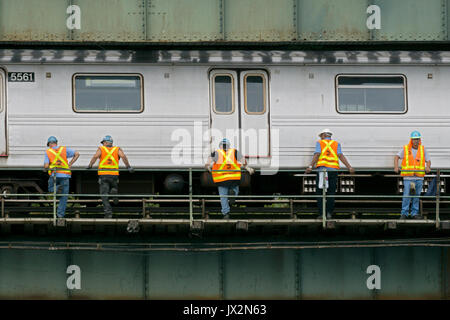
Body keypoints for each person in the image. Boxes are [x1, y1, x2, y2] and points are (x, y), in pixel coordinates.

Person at [305, 129, 355, 219]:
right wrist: (349, 167)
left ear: (324, 135)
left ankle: (321, 214)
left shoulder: (320, 143)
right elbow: (340, 155)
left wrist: (310, 166)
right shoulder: (336, 144)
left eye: (321, 136)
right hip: (333, 171)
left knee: (320, 193)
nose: (320, 137)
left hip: (322, 171)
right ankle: (329, 213)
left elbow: (317, 154)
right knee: (331, 193)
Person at [205, 138, 254, 219]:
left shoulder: (216, 152)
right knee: (235, 190)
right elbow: (244, 161)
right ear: (228, 145)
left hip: (221, 179)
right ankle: (233, 195)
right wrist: (248, 168)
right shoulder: (234, 151)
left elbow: (208, 161)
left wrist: (207, 166)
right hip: (233, 178)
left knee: (223, 197)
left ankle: (226, 213)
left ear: (220, 145)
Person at [87, 135, 133, 218]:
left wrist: (90, 165)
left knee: (104, 195)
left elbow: (95, 156)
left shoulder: (101, 149)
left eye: (103, 142)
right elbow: (123, 156)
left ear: (105, 142)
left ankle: (108, 213)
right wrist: (128, 167)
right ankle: (114, 192)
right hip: (114, 175)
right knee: (113, 187)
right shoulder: (117, 149)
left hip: (103, 175)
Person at [394, 131, 431, 220]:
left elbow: (428, 160)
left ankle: (414, 213)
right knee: (407, 195)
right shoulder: (406, 149)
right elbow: (396, 157)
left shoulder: (422, 149)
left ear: (419, 140)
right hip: (409, 177)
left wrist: (428, 167)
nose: (416, 141)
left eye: (417, 139)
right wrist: (396, 167)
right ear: (411, 140)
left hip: (419, 177)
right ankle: (404, 214)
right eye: (414, 139)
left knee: (416, 196)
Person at [43, 136, 80, 218]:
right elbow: (77, 154)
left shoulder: (48, 152)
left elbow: (46, 166)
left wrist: (47, 168)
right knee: (64, 197)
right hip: (65, 175)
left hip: (54, 175)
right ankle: (60, 216)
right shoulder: (63, 149)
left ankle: (58, 187)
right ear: (56, 143)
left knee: (50, 188)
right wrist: (70, 164)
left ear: (49, 144)